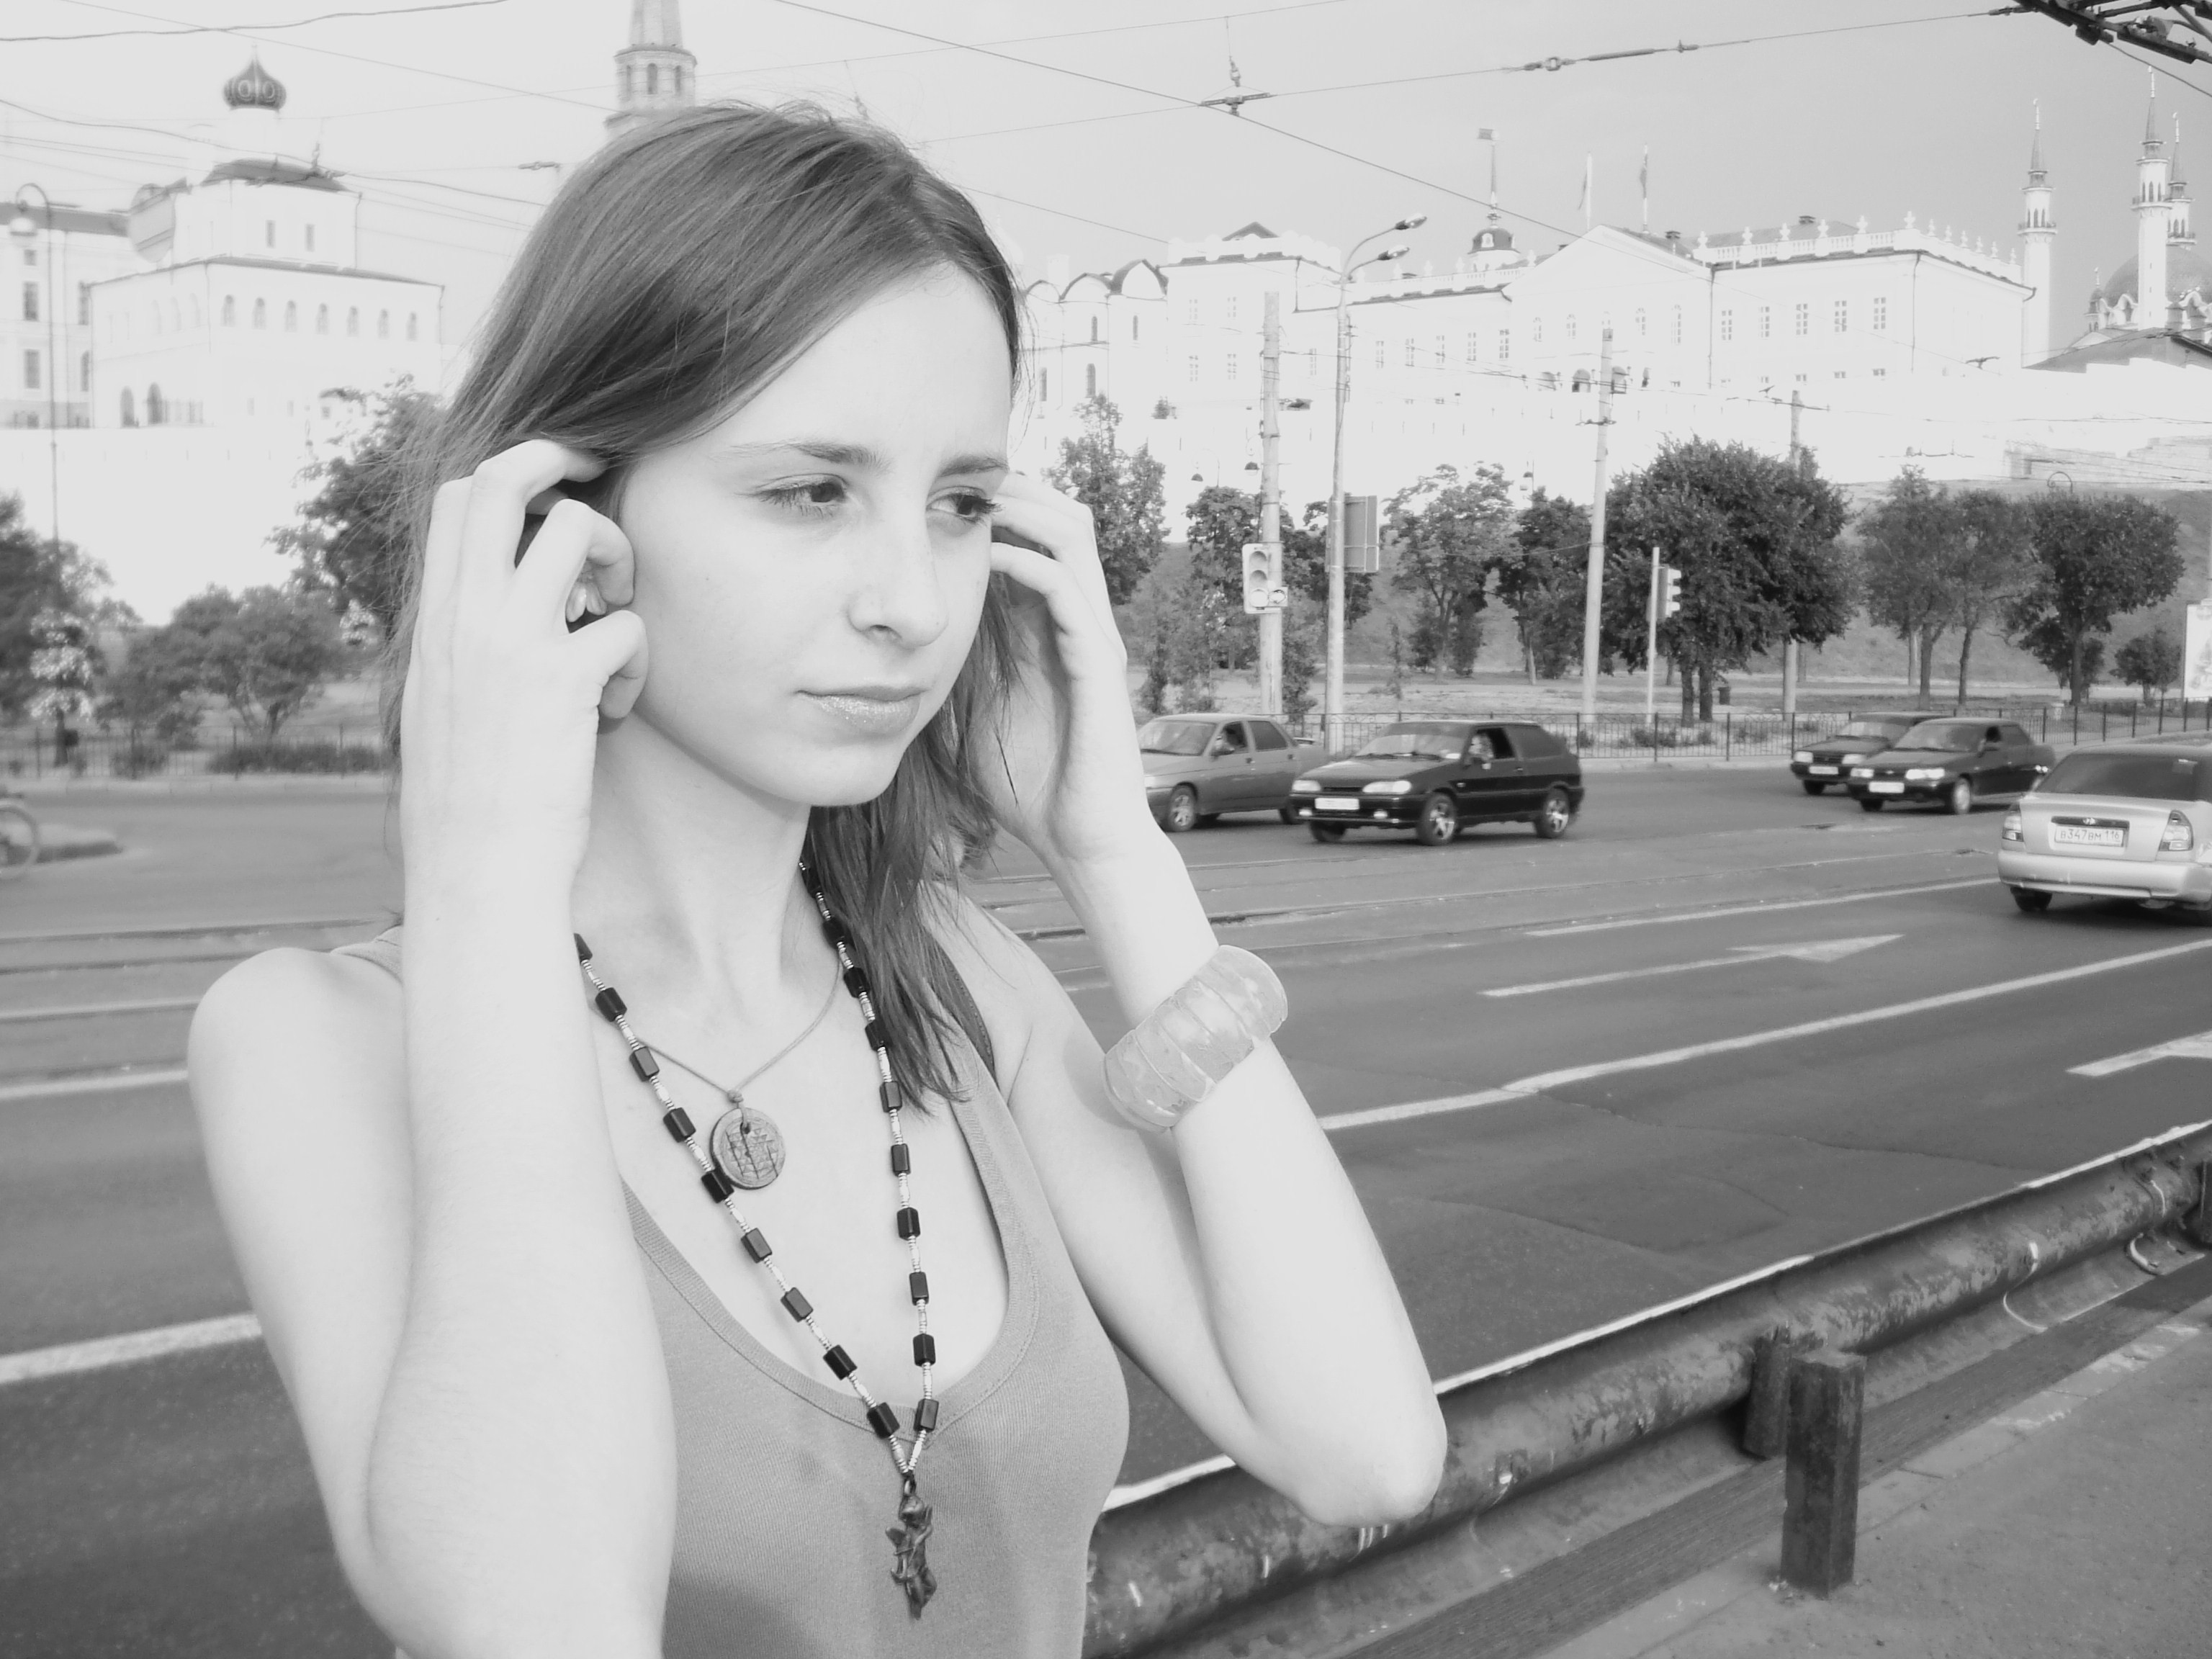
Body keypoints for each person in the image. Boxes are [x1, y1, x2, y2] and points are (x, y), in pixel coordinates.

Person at [189, 102, 1443, 1659]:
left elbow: (1364, 1451)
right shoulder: (316, 1041)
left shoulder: (955, 984)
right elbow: (542, 1620)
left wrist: (1115, 847)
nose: (915, 602)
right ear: (566, 520)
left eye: (961, 504)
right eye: (810, 491)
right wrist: (488, 868)